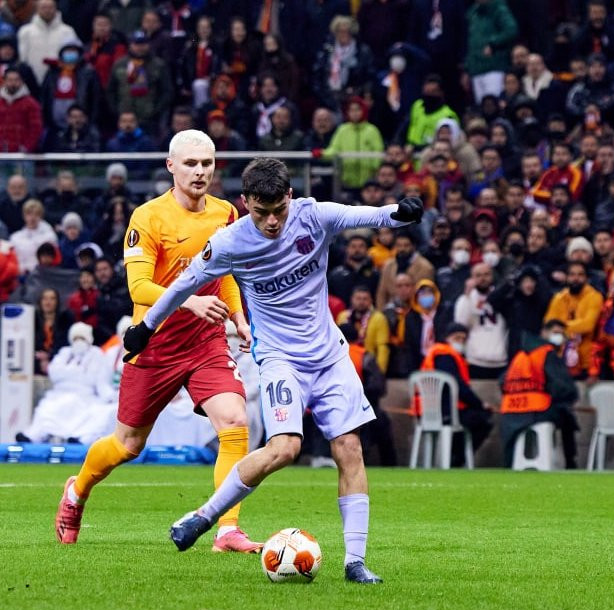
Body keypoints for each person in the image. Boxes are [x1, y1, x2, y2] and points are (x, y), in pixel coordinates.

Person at [123, 159, 426, 583]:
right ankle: (205, 516)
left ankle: (355, 563)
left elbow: (368, 214)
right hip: (280, 358)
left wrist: (400, 212)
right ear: (245, 202)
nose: (270, 221)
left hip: (330, 356)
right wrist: (146, 326)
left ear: (289, 198)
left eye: (277, 211)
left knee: (349, 448)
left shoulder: (313, 216)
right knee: (284, 449)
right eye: (259, 212)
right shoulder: (228, 242)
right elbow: (184, 284)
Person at [54, 130, 259, 553]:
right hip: (155, 344)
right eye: (190, 164)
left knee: (236, 421)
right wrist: (188, 304)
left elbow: (223, 275)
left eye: (206, 164)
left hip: (205, 343)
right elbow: (139, 288)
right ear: (171, 166)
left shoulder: (225, 214)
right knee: (127, 445)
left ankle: (227, 530)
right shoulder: (148, 217)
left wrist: (238, 315)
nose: (199, 171)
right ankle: (77, 492)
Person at [500, 319, 580, 468]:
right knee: (567, 416)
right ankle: (570, 462)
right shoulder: (546, 353)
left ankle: (511, 465)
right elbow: (563, 387)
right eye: (556, 333)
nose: (559, 337)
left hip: (509, 411)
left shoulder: (520, 356)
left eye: (562, 334)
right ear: (543, 332)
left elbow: (502, 382)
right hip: (537, 411)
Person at [19, 322, 115, 444]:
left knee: (93, 412)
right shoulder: (64, 353)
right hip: (58, 393)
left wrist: (109, 396)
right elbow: (54, 372)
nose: (78, 341)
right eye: (76, 338)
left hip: (84, 396)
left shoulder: (96, 354)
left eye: (82, 338)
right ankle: (33, 436)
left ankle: (80, 437)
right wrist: (76, 373)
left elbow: (100, 381)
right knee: (45, 409)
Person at [415, 322, 494, 466]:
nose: (461, 342)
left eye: (464, 339)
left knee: (471, 418)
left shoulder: (437, 353)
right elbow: (458, 387)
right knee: (483, 420)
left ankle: (453, 457)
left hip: (428, 410)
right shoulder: (445, 355)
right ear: (448, 338)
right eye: (457, 338)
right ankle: (456, 459)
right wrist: (480, 404)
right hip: (445, 410)